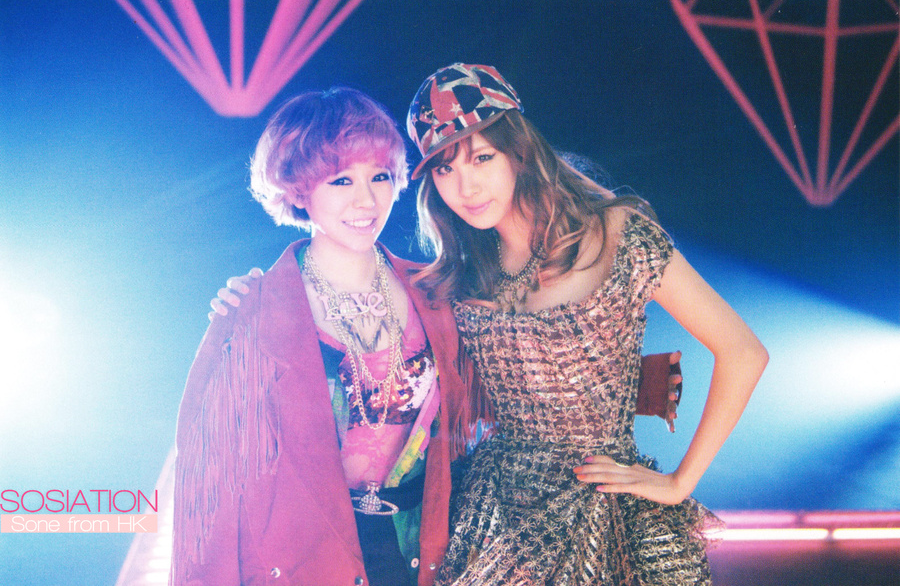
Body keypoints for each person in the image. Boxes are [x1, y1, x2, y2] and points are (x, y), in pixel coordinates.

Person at [173, 86, 682, 586]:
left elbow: (505, 377)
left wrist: (637, 384)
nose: (366, 200)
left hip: (418, 550)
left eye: (379, 176)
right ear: (298, 189)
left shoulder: (435, 292)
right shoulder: (255, 315)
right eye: (340, 180)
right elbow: (211, 489)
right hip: (306, 560)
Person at [405, 63, 768, 585]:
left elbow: (744, 351)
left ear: (519, 151)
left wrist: (679, 483)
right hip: (500, 518)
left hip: (608, 509)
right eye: (444, 170)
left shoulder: (617, 233)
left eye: (482, 157)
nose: (466, 186)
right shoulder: (459, 274)